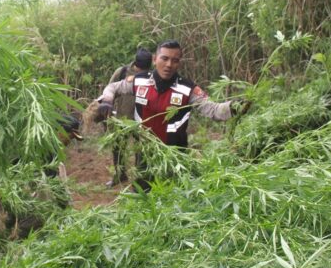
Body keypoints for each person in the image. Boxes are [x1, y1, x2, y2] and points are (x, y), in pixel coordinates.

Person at [98, 40, 247, 190]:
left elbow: (213, 109)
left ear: (179, 63)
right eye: (164, 58)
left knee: (173, 200)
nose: (169, 65)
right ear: (155, 59)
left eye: (174, 60)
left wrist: (234, 107)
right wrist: (107, 100)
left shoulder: (187, 89)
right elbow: (113, 87)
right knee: (141, 198)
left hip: (175, 156)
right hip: (145, 153)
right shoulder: (140, 81)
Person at [105, 48, 152, 188]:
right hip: (121, 118)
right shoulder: (122, 72)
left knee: (140, 151)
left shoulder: (152, 76)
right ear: (136, 64)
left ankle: (139, 180)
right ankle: (120, 175)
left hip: (141, 120)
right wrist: (107, 110)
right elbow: (110, 88)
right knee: (118, 148)